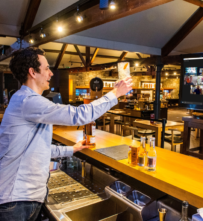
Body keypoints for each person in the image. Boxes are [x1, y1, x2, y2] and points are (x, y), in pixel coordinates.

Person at [0, 47, 133, 221]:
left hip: (24, 198)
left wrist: (71, 149)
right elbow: (80, 115)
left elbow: (38, 149)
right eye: (47, 68)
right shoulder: (28, 101)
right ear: (32, 72)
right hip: (17, 200)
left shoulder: (24, 100)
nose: (51, 74)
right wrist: (115, 93)